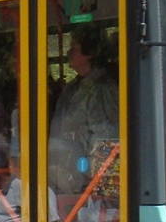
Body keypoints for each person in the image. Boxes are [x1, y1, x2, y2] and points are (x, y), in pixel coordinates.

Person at [48, 25, 117, 195]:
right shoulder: (73, 87)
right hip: (65, 173)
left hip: (86, 179)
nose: (68, 52)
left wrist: (94, 179)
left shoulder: (101, 89)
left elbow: (104, 137)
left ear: (90, 53)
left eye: (74, 48)